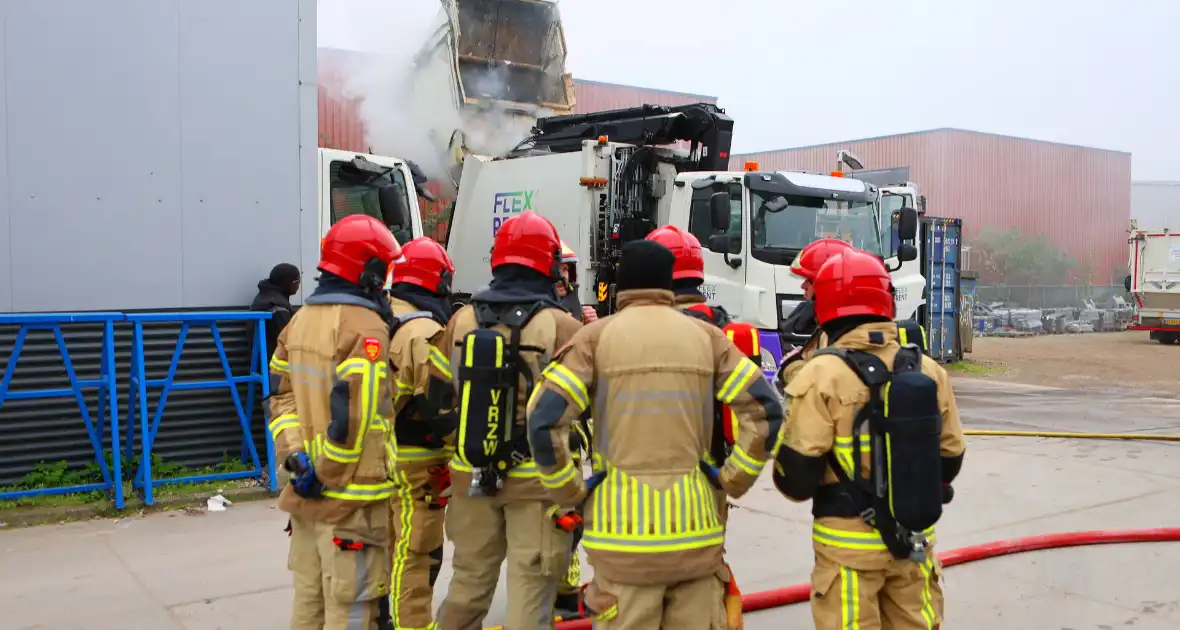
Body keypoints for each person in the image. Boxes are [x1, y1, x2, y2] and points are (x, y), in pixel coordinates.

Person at [525, 239, 784, 629]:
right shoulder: (708, 338)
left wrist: (571, 492)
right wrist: (732, 480)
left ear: (619, 286)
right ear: (669, 283)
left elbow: (543, 420)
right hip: (695, 537)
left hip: (621, 542)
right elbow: (766, 411)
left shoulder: (593, 340)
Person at [770, 248, 966, 630]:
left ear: (824, 304)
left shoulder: (818, 374)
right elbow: (951, 458)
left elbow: (794, 478)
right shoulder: (928, 370)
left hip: (847, 553)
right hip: (914, 543)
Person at [432, 210, 584, 630]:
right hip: (537, 481)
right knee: (530, 592)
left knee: (467, 585)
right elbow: (587, 403)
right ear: (548, 263)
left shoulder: (460, 319)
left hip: (470, 472)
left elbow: (440, 393)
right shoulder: (561, 325)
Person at [266, 214, 402, 630]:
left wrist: (298, 462)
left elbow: (280, 397)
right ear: (368, 271)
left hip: (305, 494)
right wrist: (325, 472)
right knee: (352, 610)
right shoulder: (364, 327)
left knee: (309, 603)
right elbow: (353, 418)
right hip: (351, 501)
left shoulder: (299, 320)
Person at [384, 236, 457, 630]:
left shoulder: (378, 317)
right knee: (418, 554)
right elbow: (439, 406)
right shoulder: (425, 331)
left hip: (380, 455)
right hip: (420, 462)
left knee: (389, 547)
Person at [251, 262, 301, 361]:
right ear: (289, 284)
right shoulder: (277, 306)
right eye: (298, 282)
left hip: (262, 359)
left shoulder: (267, 296)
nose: (299, 285)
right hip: (271, 362)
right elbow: (287, 337)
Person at [556, 239, 599, 323]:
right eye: (555, 270)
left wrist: (592, 325)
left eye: (565, 269)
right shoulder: (530, 314)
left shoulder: (572, 301)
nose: (562, 276)